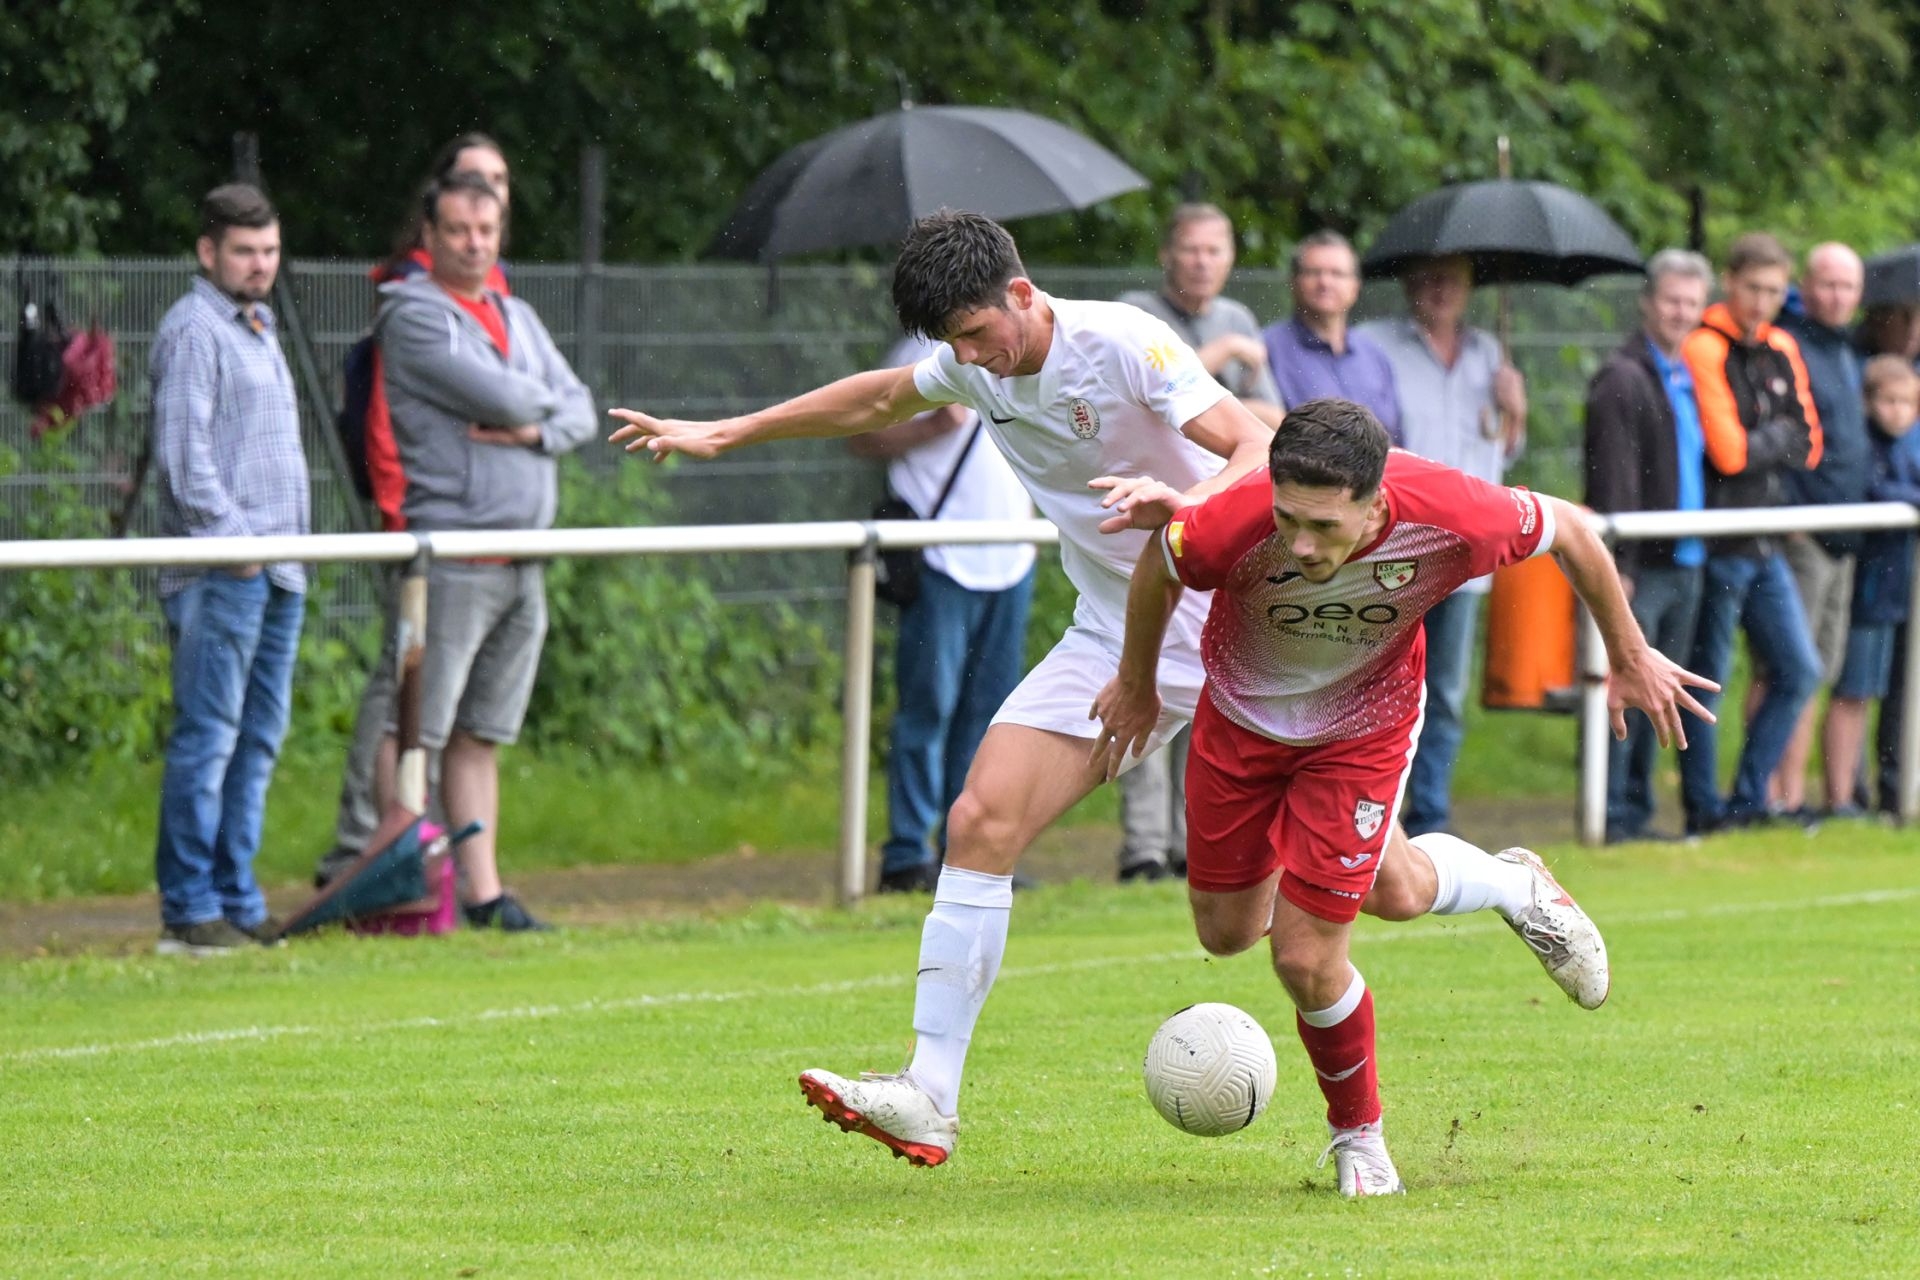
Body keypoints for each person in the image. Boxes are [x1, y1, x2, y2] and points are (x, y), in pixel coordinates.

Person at [609, 211, 1618, 1172]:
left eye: (976, 334)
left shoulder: (1125, 343)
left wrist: (1186, 509)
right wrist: (728, 432)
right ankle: (929, 1091)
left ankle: (1512, 885)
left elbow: (1253, 447)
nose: (970, 359)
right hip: (1119, 634)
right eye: (953, 345)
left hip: (1252, 628)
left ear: (1021, 293)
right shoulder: (975, 359)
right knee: (985, 820)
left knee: (1390, 890)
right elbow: (881, 399)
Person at [1088, 398, 1712, 1195]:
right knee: (1245, 927)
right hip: (1240, 725)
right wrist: (1136, 683)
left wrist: (1627, 653)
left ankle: (1360, 1138)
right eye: (1288, 519)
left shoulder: (1454, 515)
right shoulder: (1230, 522)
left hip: (1362, 729)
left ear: (1376, 501)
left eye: (1324, 526)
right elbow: (1162, 565)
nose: (1301, 544)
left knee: (1305, 955)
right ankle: (1511, 882)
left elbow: (1571, 530)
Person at [377, 170, 596, 930]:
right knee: (415, 734)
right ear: (428, 236)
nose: (474, 245)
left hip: (522, 559)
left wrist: (533, 427)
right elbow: (508, 396)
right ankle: (401, 886)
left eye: (487, 230)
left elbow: (581, 410)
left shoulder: (515, 313)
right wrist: (537, 404)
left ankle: (483, 895)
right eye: (458, 231)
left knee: (480, 736)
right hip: (455, 556)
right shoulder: (413, 315)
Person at [317, 133, 515, 889]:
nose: (490, 193)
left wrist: (533, 426)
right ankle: (361, 851)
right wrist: (402, 511)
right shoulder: (413, 294)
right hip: (428, 526)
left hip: (490, 536)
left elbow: (555, 403)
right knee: (401, 695)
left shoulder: (498, 293)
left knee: (444, 707)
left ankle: (444, 866)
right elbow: (393, 419)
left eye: (499, 182)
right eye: (474, 180)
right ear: (436, 210)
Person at [148, 184, 310, 955]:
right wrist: (240, 551)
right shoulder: (194, 330)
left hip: (281, 569)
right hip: (226, 572)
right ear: (208, 252)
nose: (259, 265)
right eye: (245, 251)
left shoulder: (259, 327)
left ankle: (237, 901)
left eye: (269, 250)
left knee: (257, 741)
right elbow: (186, 464)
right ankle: (190, 909)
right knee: (210, 739)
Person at [1112, 204, 1286, 881]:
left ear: (1231, 258)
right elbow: (1147, 398)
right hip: (1146, 519)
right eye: (1190, 249)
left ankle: (1194, 842)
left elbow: (1268, 419)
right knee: (1143, 670)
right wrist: (1220, 365)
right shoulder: (1135, 314)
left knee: (1207, 678)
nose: (1202, 262)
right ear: (1167, 254)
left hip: (1221, 523)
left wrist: (1219, 388)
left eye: (1215, 250)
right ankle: (1144, 848)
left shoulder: (1237, 319)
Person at [850, 334, 1037, 894]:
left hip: (1012, 556)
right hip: (941, 558)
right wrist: (930, 427)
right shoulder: (919, 354)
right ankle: (908, 853)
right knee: (927, 708)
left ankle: (971, 851)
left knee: (991, 716)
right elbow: (860, 435)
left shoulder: (1025, 350)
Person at [1356, 256, 1528, 836]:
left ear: (1470, 288)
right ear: (1409, 283)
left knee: (1447, 692)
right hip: (1395, 545)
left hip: (1468, 551)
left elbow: (1503, 450)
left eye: (1452, 281)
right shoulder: (1375, 345)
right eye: (1430, 279)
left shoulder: (1489, 353)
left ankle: (1431, 814)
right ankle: (1372, 810)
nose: (1440, 290)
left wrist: (1516, 409)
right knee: (1377, 685)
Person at [1676, 232, 1824, 834]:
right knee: (1707, 680)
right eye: (1754, 287)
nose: (1762, 301)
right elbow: (1729, 453)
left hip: (1765, 540)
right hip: (1719, 541)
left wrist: (1773, 438)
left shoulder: (1781, 345)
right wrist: (1779, 436)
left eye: (1774, 290)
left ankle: (1747, 799)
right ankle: (1703, 808)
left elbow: (1810, 444)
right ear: (1729, 281)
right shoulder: (1704, 345)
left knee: (1799, 670)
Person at [1583, 249, 1713, 842]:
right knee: (1627, 688)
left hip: (1687, 559)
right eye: (1671, 300)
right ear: (1647, 303)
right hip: (1642, 563)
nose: (1680, 312)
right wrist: (1619, 564)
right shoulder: (1623, 377)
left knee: (1659, 691)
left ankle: (1636, 810)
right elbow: (1612, 478)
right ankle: (1611, 813)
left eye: (1691, 302)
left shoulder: (1686, 373)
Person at [1767, 243, 1869, 815]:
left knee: (1819, 671)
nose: (1837, 296)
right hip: (1805, 532)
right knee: (1788, 667)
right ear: (1806, 285)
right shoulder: (1791, 344)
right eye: (1827, 284)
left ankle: (1797, 795)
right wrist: (1795, 519)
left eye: (1847, 286)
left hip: (1845, 534)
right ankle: (1774, 795)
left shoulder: (1847, 349)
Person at [1828, 358, 1920, 813]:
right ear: (1867, 402)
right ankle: (1840, 795)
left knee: (1880, 694)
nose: (1898, 411)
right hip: (1868, 591)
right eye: (1889, 401)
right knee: (1853, 692)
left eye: (1907, 403)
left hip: (1896, 594)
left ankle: (1868, 789)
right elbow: (1874, 488)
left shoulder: (1905, 449)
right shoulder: (1863, 446)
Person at [1262, 230, 1401, 440]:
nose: (1325, 282)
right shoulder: (1267, 349)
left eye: (1337, 274)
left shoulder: (1374, 355)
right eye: (1314, 272)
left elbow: (1395, 435)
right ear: (1294, 282)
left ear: (1355, 287)